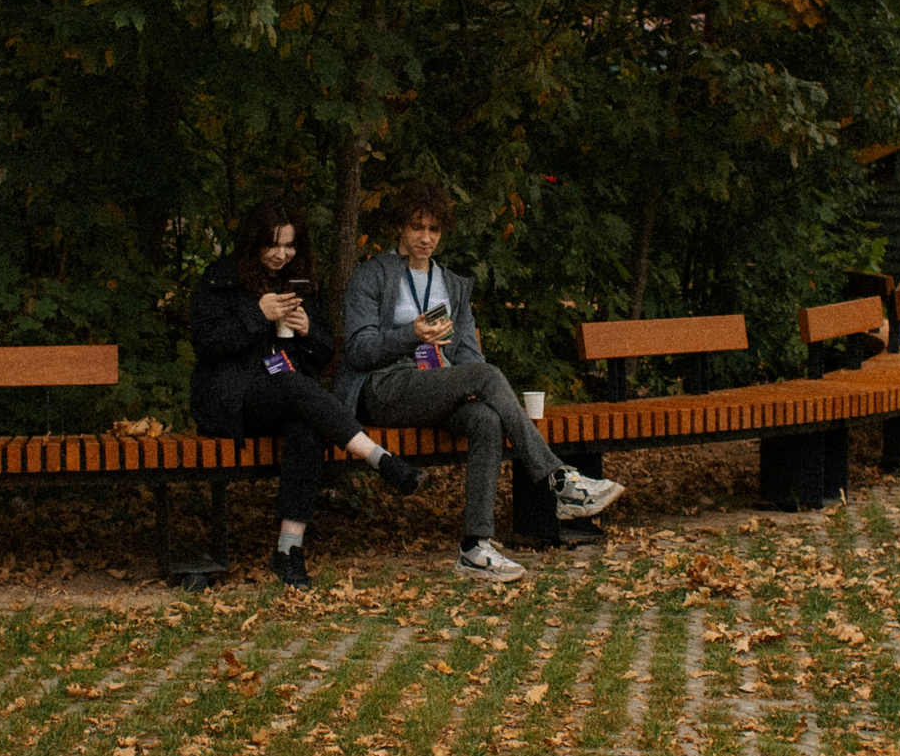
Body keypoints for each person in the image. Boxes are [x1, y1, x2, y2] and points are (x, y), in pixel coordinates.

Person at [340, 181, 622, 582]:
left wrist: (466, 379)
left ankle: (475, 547)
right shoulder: (372, 276)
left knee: (485, 419)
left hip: (436, 386)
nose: (425, 238)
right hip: (384, 388)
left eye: (434, 230)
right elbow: (358, 351)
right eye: (417, 227)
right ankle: (560, 479)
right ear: (400, 228)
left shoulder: (452, 285)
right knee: (487, 377)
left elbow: (469, 355)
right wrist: (411, 336)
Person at [191, 196, 428, 588]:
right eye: (274, 244)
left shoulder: (298, 282)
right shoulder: (220, 279)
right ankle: (380, 459)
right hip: (233, 400)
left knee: (307, 428)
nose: (282, 254)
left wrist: (306, 330)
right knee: (293, 387)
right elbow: (206, 344)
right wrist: (257, 315)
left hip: (289, 398)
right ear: (253, 242)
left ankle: (288, 550)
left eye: (290, 244)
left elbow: (322, 354)